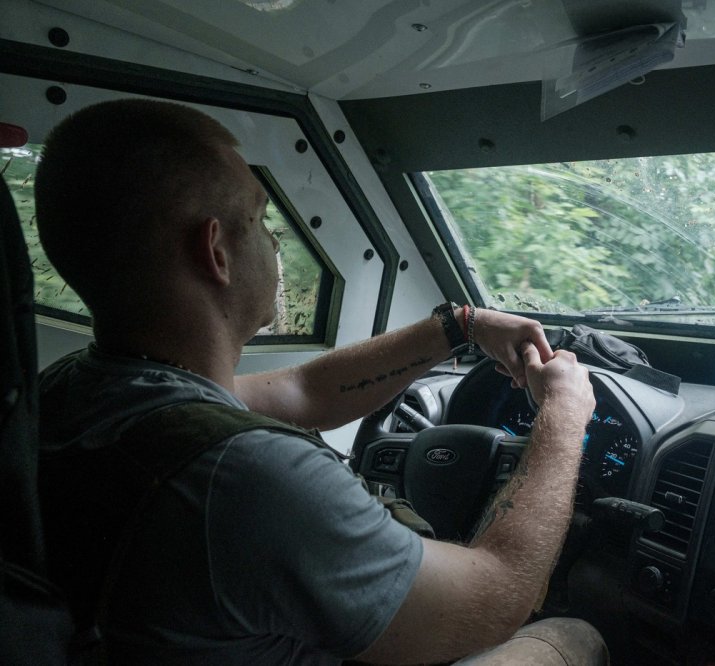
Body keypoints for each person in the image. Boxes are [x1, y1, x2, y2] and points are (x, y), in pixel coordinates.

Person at [32, 99, 605, 665]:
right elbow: (497, 594)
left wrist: (461, 327)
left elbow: (303, 393)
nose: (275, 244)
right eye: (259, 220)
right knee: (575, 637)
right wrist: (564, 414)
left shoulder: (74, 394)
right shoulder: (246, 477)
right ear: (216, 252)